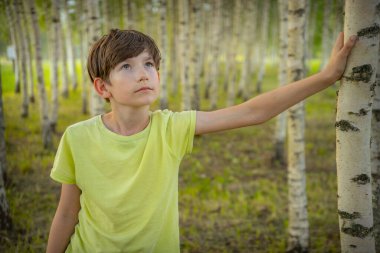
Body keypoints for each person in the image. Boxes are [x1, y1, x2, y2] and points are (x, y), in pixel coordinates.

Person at [46, 29, 357, 253]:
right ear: (103, 87)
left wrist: (326, 77)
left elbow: (253, 112)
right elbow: (66, 212)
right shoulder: (78, 137)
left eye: (149, 64)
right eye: (126, 66)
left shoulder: (171, 128)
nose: (142, 74)